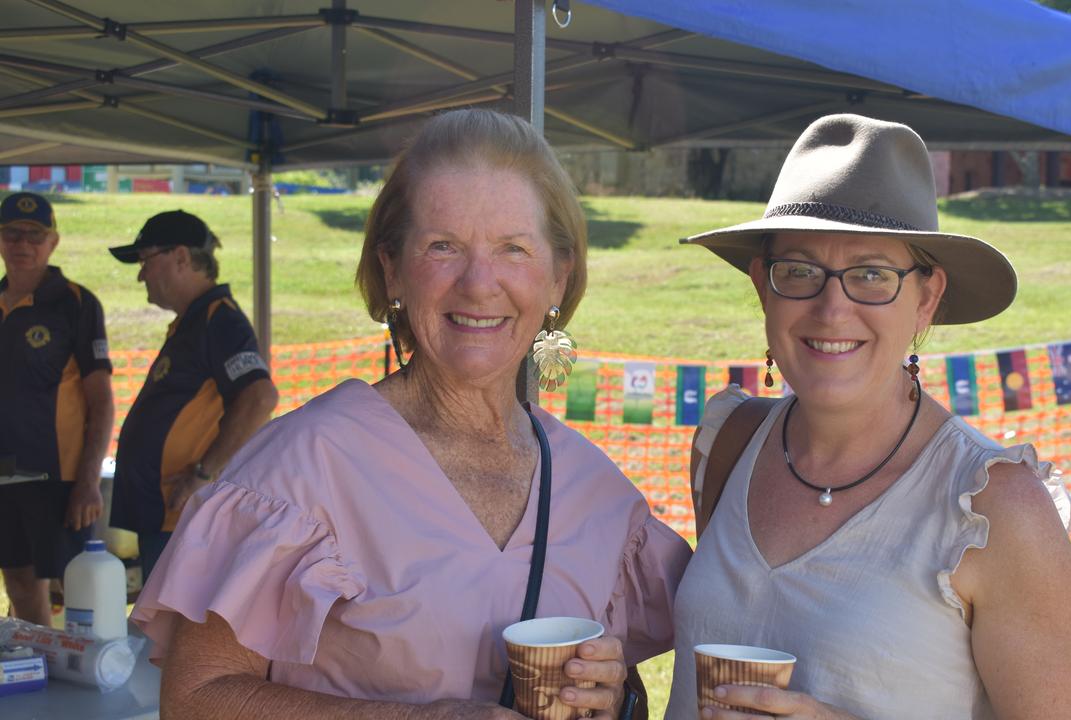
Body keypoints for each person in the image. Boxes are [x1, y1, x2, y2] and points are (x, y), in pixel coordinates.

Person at [130, 109, 692, 719]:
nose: (480, 284)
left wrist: (613, 697)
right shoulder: (301, 469)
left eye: (514, 249)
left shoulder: (597, 495)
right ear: (392, 267)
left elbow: (628, 693)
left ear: (559, 277)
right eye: (442, 246)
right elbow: (194, 700)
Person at [667, 115, 1071, 719]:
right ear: (763, 286)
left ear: (926, 297)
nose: (831, 308)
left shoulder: (995, 508)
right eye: (799, 270)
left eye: (871, 274)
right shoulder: (731, 444)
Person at [107, 210, 279, 581]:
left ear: (181, 257)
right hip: (166, 512)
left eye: (144, 260)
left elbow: (260, 396)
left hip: (184, 515)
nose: (140, 275)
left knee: (174, 632)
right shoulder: (197, 321)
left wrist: (202, 474)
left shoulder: (220, 319)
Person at [0, 191, 114, 625]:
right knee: (20, 585)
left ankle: (81, 682)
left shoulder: (76, 303)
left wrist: (88, 481)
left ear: (54, 242)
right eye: (12, 233)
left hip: (59, 477)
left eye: (34, 234)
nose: (22, 243)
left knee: (77, 587)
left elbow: (101, 400)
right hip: (5, 474)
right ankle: (38, 676)